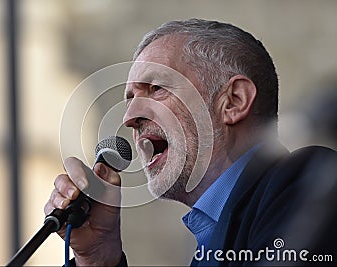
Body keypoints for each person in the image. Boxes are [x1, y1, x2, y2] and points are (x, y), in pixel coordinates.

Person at [44, 19, 337, 266]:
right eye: (130, 99)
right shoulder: (210, 236)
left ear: (233, 101)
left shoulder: (306, 184)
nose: (129, 118)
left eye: (156, 89)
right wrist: (99, 257)